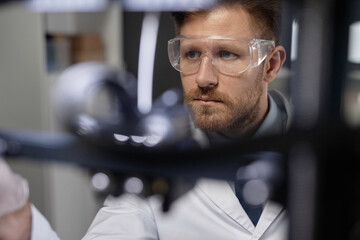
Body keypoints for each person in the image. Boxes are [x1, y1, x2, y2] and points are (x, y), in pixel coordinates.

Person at [0, 0, 289, 239]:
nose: (202, 78)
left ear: (271, 65)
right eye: (191, 54)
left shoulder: (324, 154)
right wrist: (24, 227)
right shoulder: (153, 155)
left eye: (227, 54)